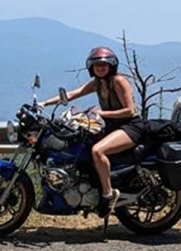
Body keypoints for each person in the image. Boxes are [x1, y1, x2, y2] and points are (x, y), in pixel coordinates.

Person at [40, 46, 140, 218]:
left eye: (104, 64)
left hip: (130, 127)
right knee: (81, 148)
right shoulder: (98, 83)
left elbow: (129, 111)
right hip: (111, 126)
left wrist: (101, 113)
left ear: (111, 65)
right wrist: (44, 103)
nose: (100, 68)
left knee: (97, 151)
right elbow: (73, 93)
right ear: (91, 67)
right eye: (96, 65)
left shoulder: (118, 81)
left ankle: (108, 195)